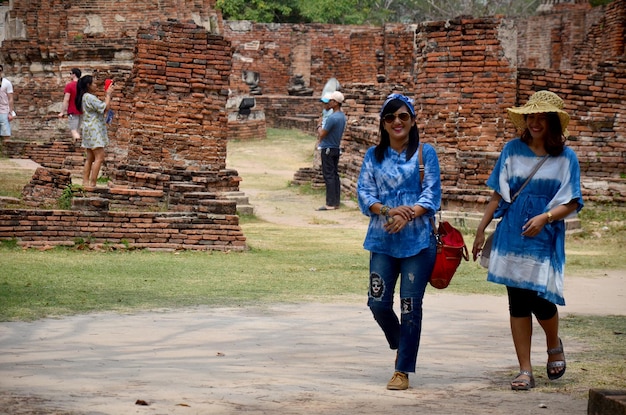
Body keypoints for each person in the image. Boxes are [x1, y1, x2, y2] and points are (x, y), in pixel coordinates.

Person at [471, 90, 583, 391]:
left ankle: (553, 343)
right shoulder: (511, 149)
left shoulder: (565, 157)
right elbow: (498, 193)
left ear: (553, 122)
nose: (534, 122)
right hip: (512, 233)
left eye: (541, 117)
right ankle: (524, 369)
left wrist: (545, 218)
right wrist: (481, 230)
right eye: (530, 116)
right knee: (517, 301)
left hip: (544, 234)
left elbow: (573, 202)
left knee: (541, 299)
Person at [357, 93, 442, 390]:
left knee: (410, 305)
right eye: (391, 117)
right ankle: (401, 342)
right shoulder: (373, 156)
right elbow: (364, 194)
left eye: (403, 116)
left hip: (418, 241)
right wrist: (388, 211)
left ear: (413, 121)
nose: (397, 122)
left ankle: (402, 369)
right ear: (383, 123)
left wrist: (409, 215)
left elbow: (432, 194)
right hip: (382, 239)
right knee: (378, 303)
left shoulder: (424, 153)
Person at [75, 75, 115, 189]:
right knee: (99, 157)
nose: (96, 85)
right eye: (94, 83)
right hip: (94, 130)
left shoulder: (85, 97)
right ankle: (92, 183)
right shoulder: (89, 97)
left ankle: (85, 182)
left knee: (90, 158)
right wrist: (108, 94)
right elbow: (105, 108)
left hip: (89, 129)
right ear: (88, 85)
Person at [316, 90, 346, 211]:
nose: (329, 103)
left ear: (336, 103)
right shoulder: (342, 117)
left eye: (331, 101)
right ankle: (336, 202)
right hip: (335, 148)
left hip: (328, 147)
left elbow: (322, 134)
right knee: (334, 175)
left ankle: (330, 203)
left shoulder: (333, 118)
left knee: (328, 175)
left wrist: (318, 126)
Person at [58, 68, 82, 140]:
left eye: (70, 73)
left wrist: (62, 112)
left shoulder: (69, 85)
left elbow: (66, 99)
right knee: (78, 130)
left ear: (74, 74)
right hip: (81, 110)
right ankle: (79, 147)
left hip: (73, 110)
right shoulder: (82, 86)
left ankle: (80, 147)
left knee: (74, 130)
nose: (70, 75)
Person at [0, 64, 16, 148]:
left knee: (5, 133)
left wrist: (10, 112)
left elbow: (10, 98)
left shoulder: (6, 83)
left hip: (4, 110)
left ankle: (5, 151)